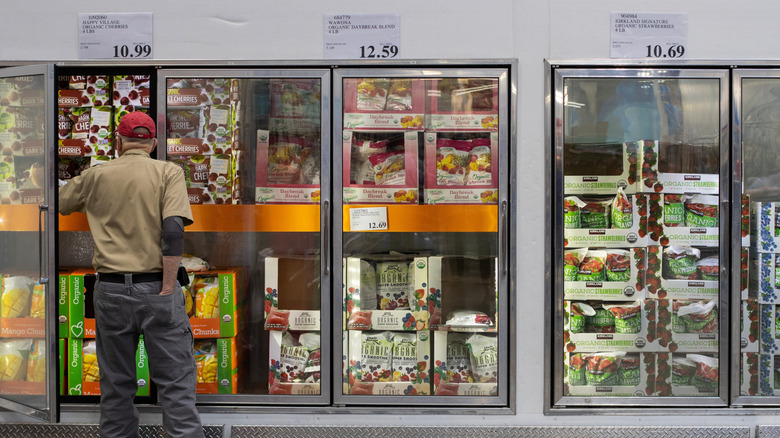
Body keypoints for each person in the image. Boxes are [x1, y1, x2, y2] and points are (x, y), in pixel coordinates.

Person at [59, 111, 203, 438]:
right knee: (176, 385)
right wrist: (169, 286)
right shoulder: (169, 172)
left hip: (109, 291)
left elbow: (62, 202)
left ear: (119, 142)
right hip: (156, 287)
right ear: (152, 143)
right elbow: (173, 231)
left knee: (116, 385)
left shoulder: (98, 174)